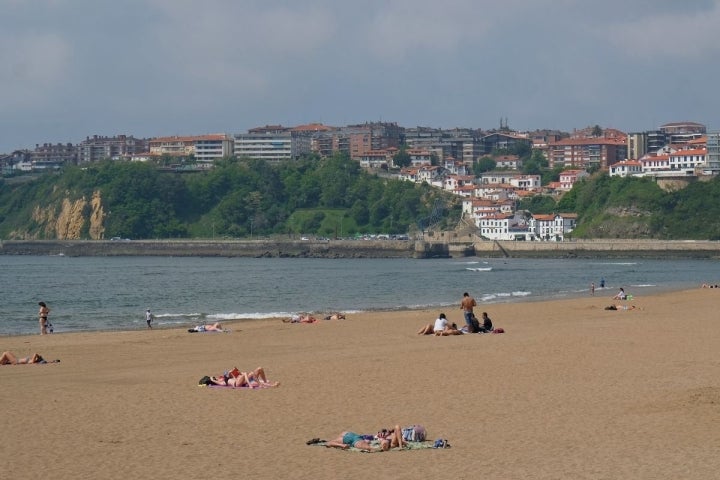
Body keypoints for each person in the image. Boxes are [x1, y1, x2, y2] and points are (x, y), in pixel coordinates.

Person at [208, 366, 279, 388]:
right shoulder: (224, 381)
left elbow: (242, 374)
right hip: (238, 383)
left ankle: (267, 383)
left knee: (259, 369)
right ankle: (269, 385)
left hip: (244, 380)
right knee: (248, 374)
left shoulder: (234, 376)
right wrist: (212, 379)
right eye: (228, 374)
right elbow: (217, 382)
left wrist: (235, 373)